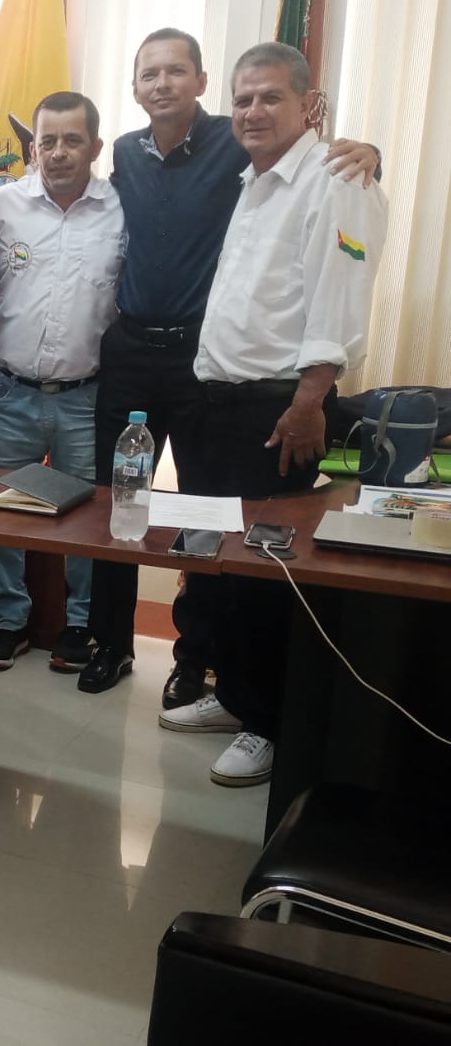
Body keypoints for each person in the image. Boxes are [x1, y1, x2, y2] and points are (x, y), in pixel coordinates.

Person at [78, 28, 379, 701]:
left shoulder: (241, 144)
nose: (162, 84)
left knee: (210, 522)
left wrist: (371, 155)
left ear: (201, 81)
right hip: (140, 355)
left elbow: (338, 243)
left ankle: (198, 665)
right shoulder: (130, 153)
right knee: (119, 504)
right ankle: (113, 644)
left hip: (210, 367)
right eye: (149, 73)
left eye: (176, 71)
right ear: (134, 87)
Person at [158, 41, 386, 787]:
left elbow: (339, 300)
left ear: (308, 105)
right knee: (218, 563)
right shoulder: (253, 181)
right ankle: (236, 696)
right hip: (216, 406)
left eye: (270, 97)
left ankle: (269, 722)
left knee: (265, 572)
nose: (253, 111)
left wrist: (310, 400)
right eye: (243, 99)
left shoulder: (338, 179)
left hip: (278, 409)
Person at [0, 91, 124, 673]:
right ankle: (7, 618)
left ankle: (80, 621)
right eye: (48, 141)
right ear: (32, 148)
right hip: (9, 390)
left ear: (95, 146)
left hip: (86, 396)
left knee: (86, 515)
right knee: (1, 508)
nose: (59, 152)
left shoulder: (120, 209)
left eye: (72, 140)